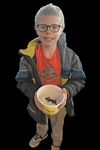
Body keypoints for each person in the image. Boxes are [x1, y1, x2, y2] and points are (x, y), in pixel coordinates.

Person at [15, 3, 86, 150]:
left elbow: (79, 79)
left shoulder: (71, 56)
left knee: (58, 124)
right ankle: (41, 134)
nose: (49, 32)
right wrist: (34, 93)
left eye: (54, 27)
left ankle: (56, 143)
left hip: (60, 102)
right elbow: (22, 81)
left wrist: (67, 91)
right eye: (43, 27)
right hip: (38, 99)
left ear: (62, 29)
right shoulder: (27, 57)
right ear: (36, 28)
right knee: (40, 121)